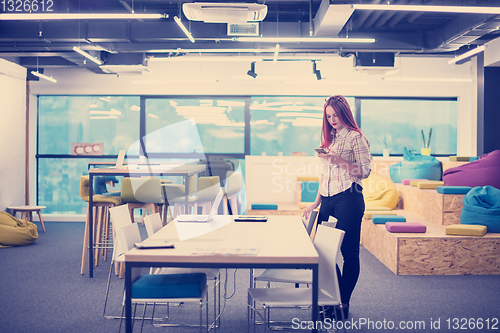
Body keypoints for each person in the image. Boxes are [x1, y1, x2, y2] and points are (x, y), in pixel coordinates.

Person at [302, 95, 371, 320]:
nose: (332, 119)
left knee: (348, 253)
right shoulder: (330, 138)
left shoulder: (356, 137)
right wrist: (315, 202)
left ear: (344, 113)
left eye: (335, 115)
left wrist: (338, 160)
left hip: (349, 198)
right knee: (321, 252)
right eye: (328, 116)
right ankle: (334, 299)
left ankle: (342, 303)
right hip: (329, 200)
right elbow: (326, 175)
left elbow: (365, 171)